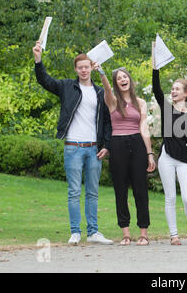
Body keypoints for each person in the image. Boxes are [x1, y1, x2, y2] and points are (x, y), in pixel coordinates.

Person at [32, 41, 113, 245]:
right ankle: (75, 232)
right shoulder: (67, 86)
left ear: (91, 68)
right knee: (74, 192)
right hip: (73, 148)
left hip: (94, 148)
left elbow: (107, 122)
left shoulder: (99, 92)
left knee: (93, 192)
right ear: (76, 69)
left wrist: (106, 145)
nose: (84, 70)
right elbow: (45, 80)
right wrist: (38, 59)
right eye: (80, 67)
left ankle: (93, 232)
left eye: (87, 67)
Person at [93, 63, 155, 246]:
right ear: (115, 82)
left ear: (130, 79)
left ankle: (143, 233)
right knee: (121, 191)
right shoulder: (112, 101)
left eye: (125, 76)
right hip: (118, 145)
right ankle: (126, 233)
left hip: (137, 144)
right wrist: (102, 73)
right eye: (118, 78)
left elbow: (144, 128)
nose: (122, 79)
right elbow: (105, 87)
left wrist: (150, 153)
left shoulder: (141, 102)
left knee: (140, 190)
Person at [151, 43, 187, 245]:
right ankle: (173, 234)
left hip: (184, 159)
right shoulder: (166, 108)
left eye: (176, 89)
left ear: (185, 93)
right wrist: (155, 67)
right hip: (167, 157)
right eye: (172, 89)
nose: (172, 91)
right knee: (170, 198)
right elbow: (156, 89)